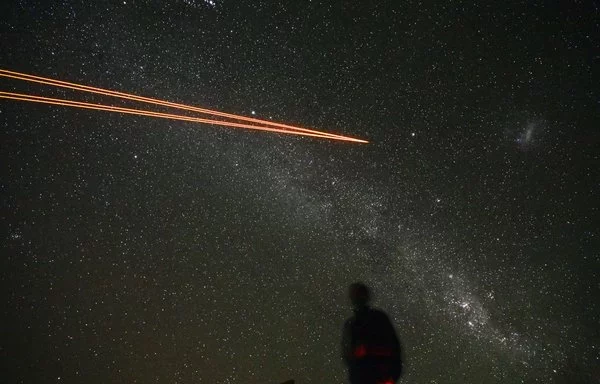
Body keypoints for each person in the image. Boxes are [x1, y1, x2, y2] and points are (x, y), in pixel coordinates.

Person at [341, 282, 403, 384]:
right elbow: (348, 356)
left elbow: (394, 349)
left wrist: (392, 378)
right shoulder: (351, 324)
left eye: (360, 294)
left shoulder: (378, 318)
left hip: (381, 377)